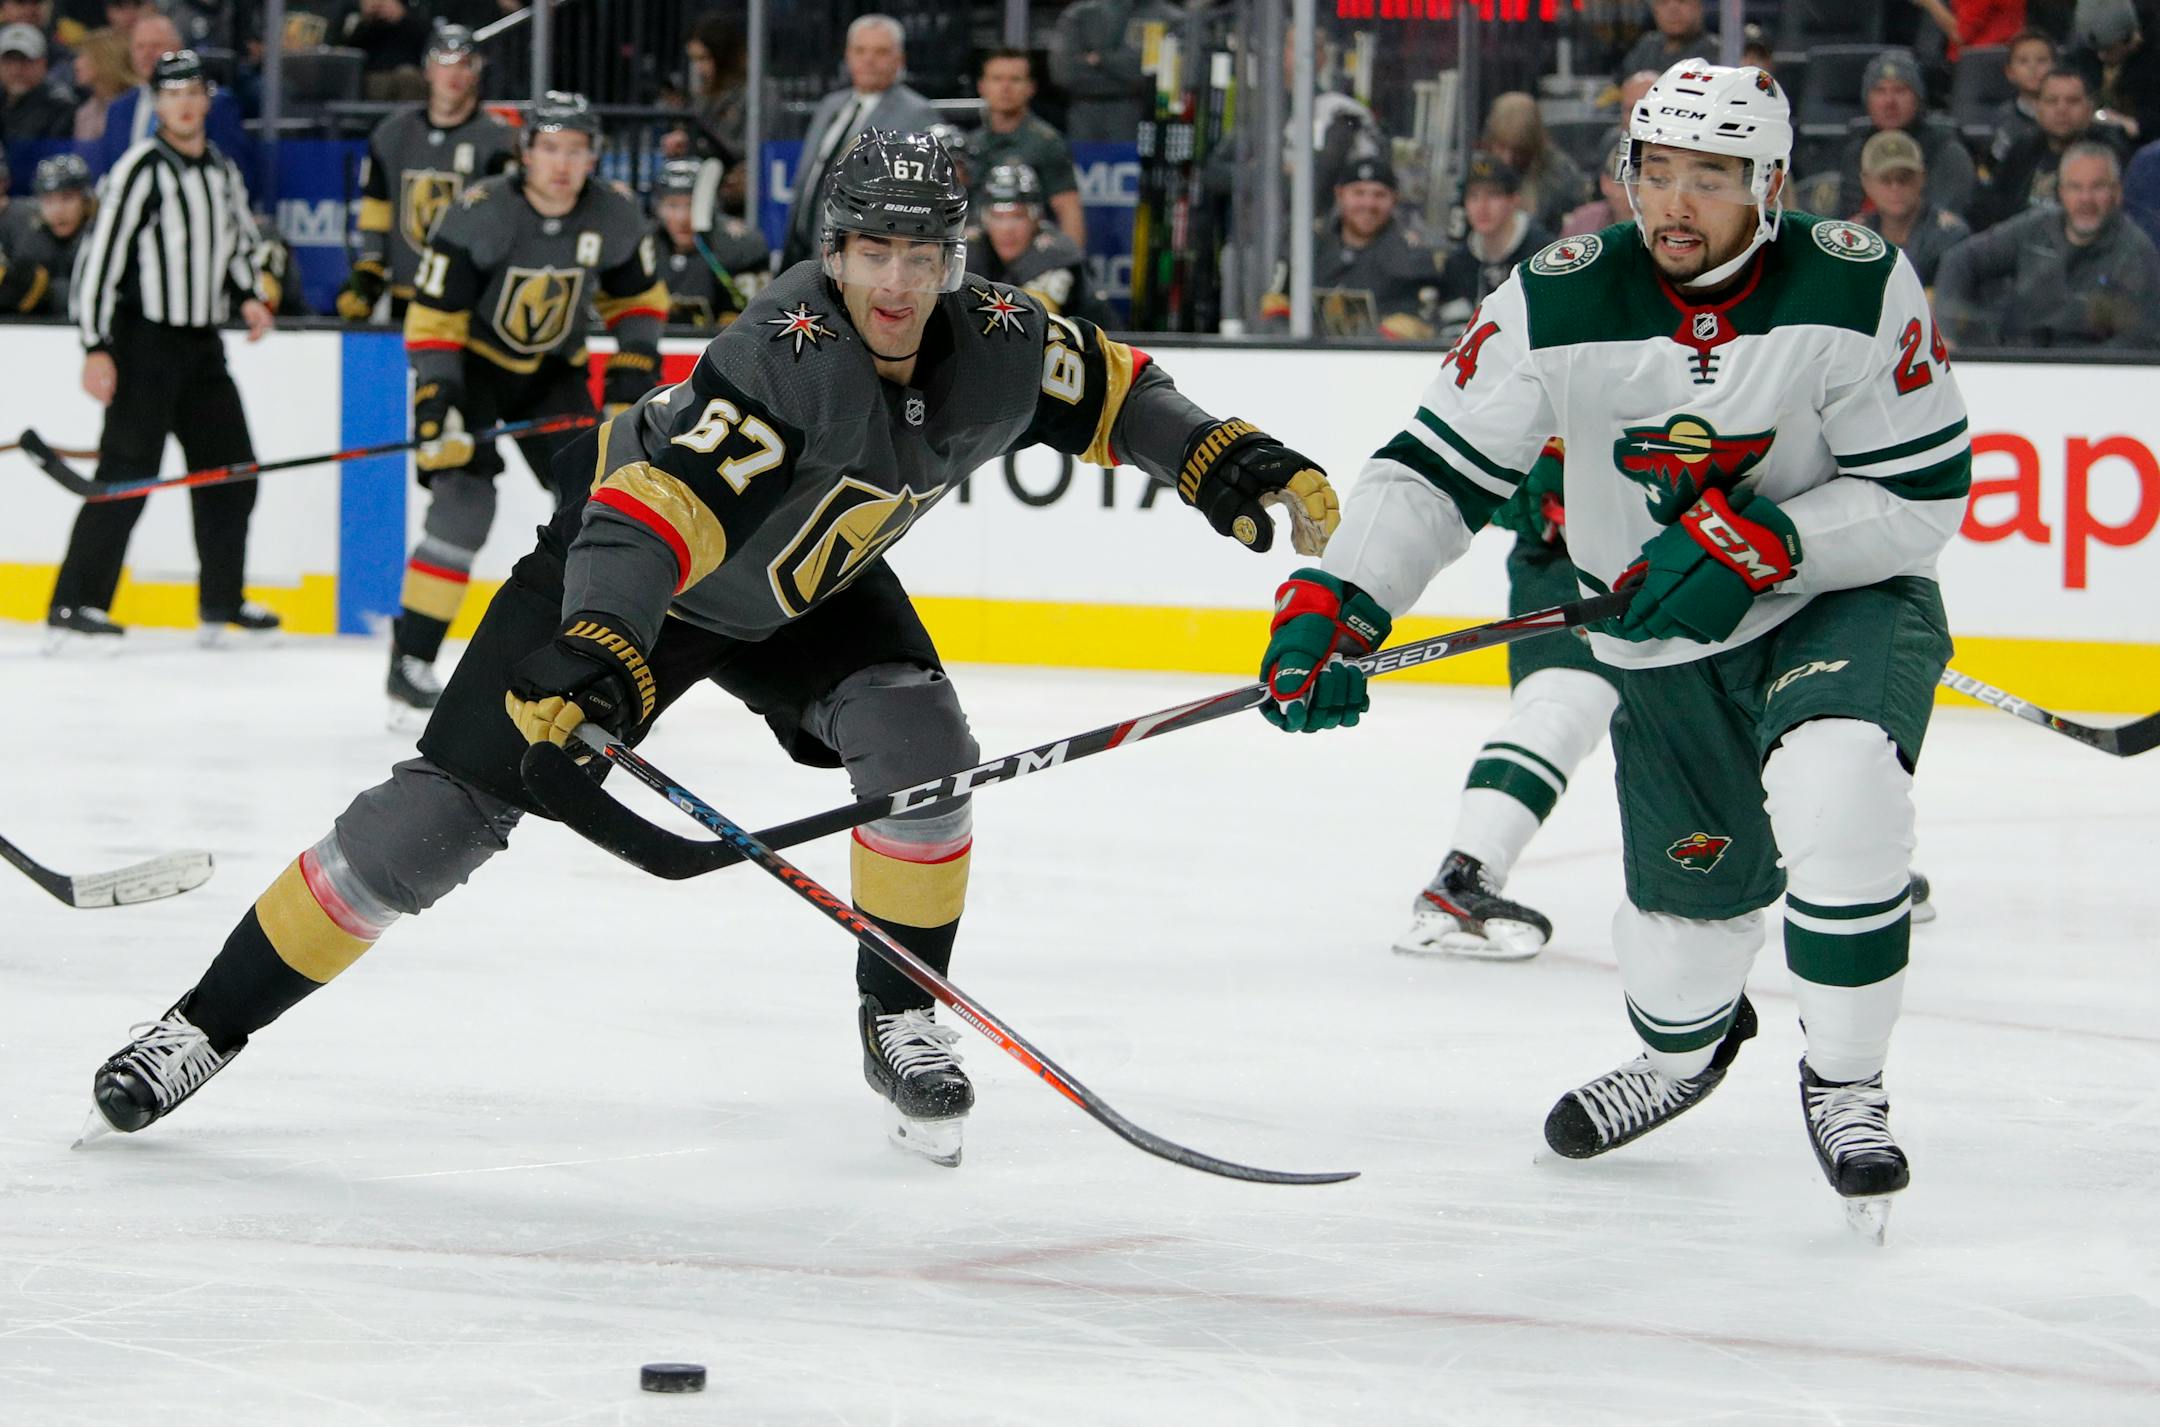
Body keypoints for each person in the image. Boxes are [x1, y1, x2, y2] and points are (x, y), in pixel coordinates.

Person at [78, 129, 1343, 1175]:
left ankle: (900, 1014)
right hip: (627, 570)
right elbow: (654, 520)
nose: (896, 282)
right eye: (869, 251)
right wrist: (598, 661)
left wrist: (1220, 455)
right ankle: (200, 1023)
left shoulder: (1003, 335)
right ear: (830, 252)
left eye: (920, 253)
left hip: (802, 585)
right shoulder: (782, 356)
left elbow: (1115, 386)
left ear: (954, 258)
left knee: (923, 749)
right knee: (437, 825)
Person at [1255, 60, 1969, 1229]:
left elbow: (1924, 494)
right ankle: (1687, 1051)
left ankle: (1847, 1084)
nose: (1677, 203)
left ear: (1772, 186)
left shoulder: (1855, 283)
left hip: (1838, 601)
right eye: (1659, 171)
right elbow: (1437, 466)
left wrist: (1769, 539)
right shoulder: (1558, 295)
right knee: (1679, 964)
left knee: (1843, 799)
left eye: (1713, 178)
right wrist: (1342, 590)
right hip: (1659, 645)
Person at [384, 91, 667, 720]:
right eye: (549, 148)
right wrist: (438, 401)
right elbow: (434, 319)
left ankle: (583, 659)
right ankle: (410, 661)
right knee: (462, 507)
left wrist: (627, 381)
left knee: (596, 504)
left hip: (550, 375)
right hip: (471, 372)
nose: (562, 164)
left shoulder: (615, 216)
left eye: (576, 149)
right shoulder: (479, 213)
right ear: (526, 152)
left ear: (594, 156)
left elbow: (640, 307)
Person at [48, 51, 279, 650]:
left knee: (232, 471)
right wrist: (96, 346)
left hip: (201, 347)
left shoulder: (221, 171)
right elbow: (98, 266)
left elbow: (237, 245)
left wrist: (250, 296)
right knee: (127, 474)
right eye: (171, 92)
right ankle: (76, 604)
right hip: (143, 343)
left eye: (193, 91)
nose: (183, 102)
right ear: (156, 102)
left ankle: (221, 602)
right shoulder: (139, 170)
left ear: (207, 101)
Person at [335, 24, 513, 324]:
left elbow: (506, 222)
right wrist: (371, 267)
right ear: (427, 69)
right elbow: (377, 210)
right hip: (406, 294)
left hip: (471, 300)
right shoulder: (391, 134)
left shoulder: (498, 140)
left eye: (464, 64)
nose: (453, 74)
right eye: (444, 62)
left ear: (477, 72)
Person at [1937, 139, 2160, 346]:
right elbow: (1960, 260)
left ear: (2117, 193)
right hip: (2015, 362)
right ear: (2061, 192)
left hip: (2094, 373)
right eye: (2075, 187)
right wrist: (1946, 334)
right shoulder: (2034, 227)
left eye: (2097, 187)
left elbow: (2140, 338)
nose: (2086, 199)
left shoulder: (2138, 253)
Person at [780, 14, 937, 268]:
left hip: (858, 256)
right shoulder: (831, 105)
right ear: (848, 55)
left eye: (881, 52)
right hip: (803, 247)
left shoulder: (916, 114)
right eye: (860, 50)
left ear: (900, 60)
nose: (869, 60)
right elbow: (809, 178)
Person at [87, 10, 246, 175]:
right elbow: (110, 173)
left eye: (156, 46)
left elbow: (237, 169)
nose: (147, 54)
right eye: (140, 47)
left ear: (177, 49)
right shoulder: (118, 109)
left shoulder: (216, 103)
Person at [1974, 64, 2133, 225]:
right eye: (2051, 101)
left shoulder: (2109, 155)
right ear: (2038, 108)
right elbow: (1991, 204)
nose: (2061, 109)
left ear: (2089, 109)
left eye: (2072, 101)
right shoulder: (2023, 149)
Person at [968, 159, 1116, 329]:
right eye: (997, 216)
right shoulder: (971, 247)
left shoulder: (1056, 253)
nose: (1007, 229)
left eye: (1018, 216)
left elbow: (1029, 328)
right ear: (984, 219)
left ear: (1037, 218)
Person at [1831, 51, 1978, 221]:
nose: (1889, 102)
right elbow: (1846, 218)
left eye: (1900, 90)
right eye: (1879, 91)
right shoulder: (1856, 152)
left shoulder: (1946, 151)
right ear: (1867, 100)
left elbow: (1945, 222)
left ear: (1918, 98)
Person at [970, 47, 1085, 248]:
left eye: (1015, 80)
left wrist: (1071, 266)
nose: (1005, 87)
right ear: (982, 86)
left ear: (1030, 88)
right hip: (977, 254)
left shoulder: (1046, 142)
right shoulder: (972, 143)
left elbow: (1068, 208)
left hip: (1029, 255)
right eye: (997, 79)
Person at [1435, 154, 1554, 343]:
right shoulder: (1459, 263)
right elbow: (1452, 329)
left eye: (1493, 195)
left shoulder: (1543, 256)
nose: (1482, 207)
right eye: (1473, 197)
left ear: (1514, 200)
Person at [651, 156, 767, 327]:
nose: (682, 218)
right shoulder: (644, 245)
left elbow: (755, 321)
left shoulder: (739, 247)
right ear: (658, 208)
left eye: (690, 204)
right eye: (673, 205)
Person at [1851, 131, 1971, 287]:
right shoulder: (1853, 237)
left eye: (1904, 178)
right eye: (1885, 179)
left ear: (1921, 178)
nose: (1895, 187)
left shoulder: (1950, 235)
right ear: (1866, 183)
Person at [1050, 0, 1174, 143]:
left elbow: (1149, 75)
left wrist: (1101, 59)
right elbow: (1064, 73)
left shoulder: (1169, 18)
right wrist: (1123, 72)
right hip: (1083, 118)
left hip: (1138, 116)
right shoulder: (1078, 15)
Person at [1480, 92, 1590, 235]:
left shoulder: (1560, 175)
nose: (1508, 159)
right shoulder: (1480, 172)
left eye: (1518, 151)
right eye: (1501, 147)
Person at [0, 150, 92, 314]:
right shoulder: (20, 225)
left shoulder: (100, 236)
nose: (57, 211)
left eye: (68, 198)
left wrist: (48, 294)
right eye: (48, 200)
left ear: (85, 200)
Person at [1989, 28, 2060, 167]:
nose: (2033, 68)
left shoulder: (2067, 112)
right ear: (2010, 72)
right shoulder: (2004, 119)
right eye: (2023, 61)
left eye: (2042, 60)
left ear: (2055, 67)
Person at [0, 22, 75, 137]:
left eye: (26, 61)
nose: (16, 70)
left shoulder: (58, 106)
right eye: (8, 62)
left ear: (43, 64)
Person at [1617, 0, 1713, 83]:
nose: (1672, 10)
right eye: (1663, 2)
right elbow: (1619, 84)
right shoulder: (1647, 45)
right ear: (1654, 10)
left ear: (1699, 7)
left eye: (1682, 1)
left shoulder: (1717, 51)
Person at [68, 20, 130, 138]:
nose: (76, 64)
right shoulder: (85, 112)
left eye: (83, 56)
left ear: (105, 59)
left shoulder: (134, 107)